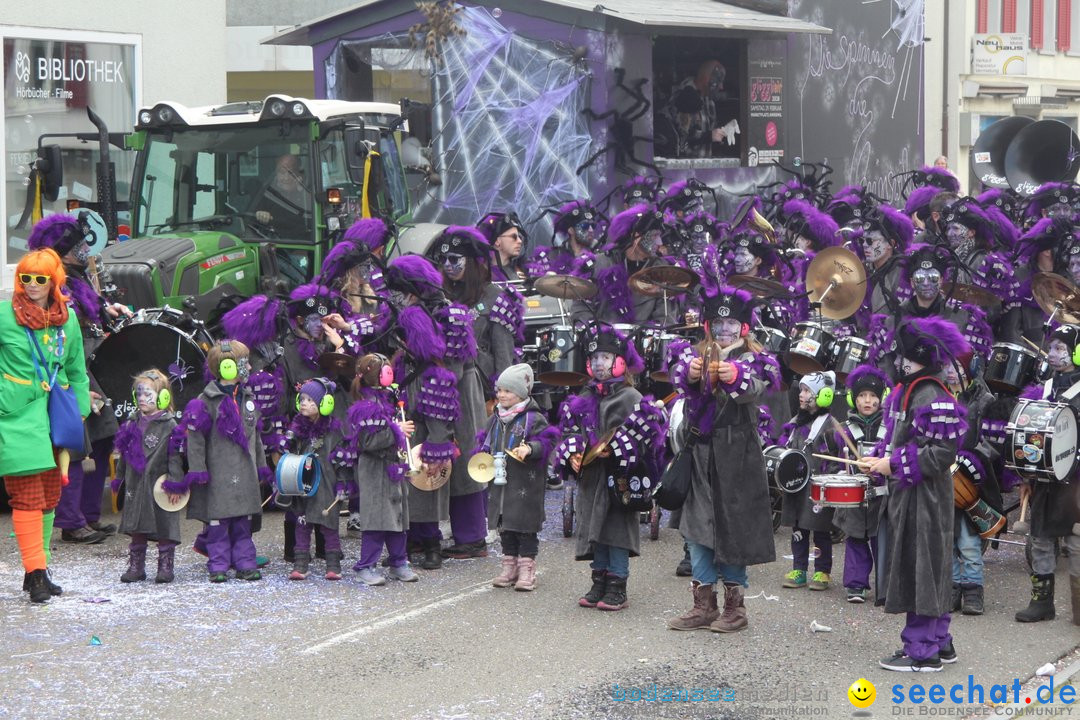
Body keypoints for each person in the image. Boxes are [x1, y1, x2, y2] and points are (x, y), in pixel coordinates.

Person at [665, 286, 777, 632]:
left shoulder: (757, 357)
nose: (725, 329)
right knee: (697, 528)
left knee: (733, 529)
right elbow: (676, 379)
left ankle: (735, 607)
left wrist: (737, 377)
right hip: (700, 452)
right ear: (708, 325)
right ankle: (703, 605)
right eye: (719, 322)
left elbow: (761, 387)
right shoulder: (694, 354)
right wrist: (691, 375)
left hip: (738, 454)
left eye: (732, 323)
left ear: (743, 327)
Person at [863, 316, 968, 672]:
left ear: (917, 357)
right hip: (912, 495)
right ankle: (940, 641)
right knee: (926, 564)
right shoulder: (907, 390)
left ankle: (922, 652)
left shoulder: (931, 393)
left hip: (925, 499)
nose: (896, 361)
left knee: (921, 566)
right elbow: (900, 440)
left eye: (902, 355)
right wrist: (878, 457)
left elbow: (942, 453)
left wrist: (892, 465)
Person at [27, 213, 131, 544]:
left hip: (87, 366)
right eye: (80, 244)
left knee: (102, 439)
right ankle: (71, 520)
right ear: (64, 250)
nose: (86, 248)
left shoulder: (77, 276)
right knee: (73, 442)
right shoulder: (53, 284)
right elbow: (58, 338)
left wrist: (109, 309)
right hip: (71, 371)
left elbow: (92, 311)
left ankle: (88, 514)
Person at [0, 248, 90, 603]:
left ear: (54, 281)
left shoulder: (66, 320)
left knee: (51, 496)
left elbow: (77, 367)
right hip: (17, 415)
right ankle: (37, 576)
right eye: (26, 277)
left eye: (40, 278)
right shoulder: (5, 315)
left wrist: (79, 410)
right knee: (27, 494)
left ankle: (39, 568)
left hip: (55, 415)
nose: (32, 285)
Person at [556, 323, 664, 611]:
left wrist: (615, 450)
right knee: (594, 527)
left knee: (616, 530)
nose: (598, 363)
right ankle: (598, 580)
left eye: (605, 358)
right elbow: (571, 431)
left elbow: (648, 437)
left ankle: (618, 585)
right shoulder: (586, 396)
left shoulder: (631, 397)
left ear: (619, 362)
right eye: (594, 359)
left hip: (620, 478)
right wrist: (573, 452)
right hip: (592, 478)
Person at [179, 340, 272, 583]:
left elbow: (256, 436)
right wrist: (198, 469)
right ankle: (218, 564)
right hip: (219, 473)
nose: (250, 367)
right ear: (228, 367)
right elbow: (196, 439)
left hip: (245, 473)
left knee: (243, 523)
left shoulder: (247, 398)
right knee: (218, 524)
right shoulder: (205, 401)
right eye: (245, 363)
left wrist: (261, 465)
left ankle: (245, 563)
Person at [1013, 325, 1080, 626]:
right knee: (1039, 537)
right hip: (1044, 478)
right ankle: (1042, 603)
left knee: (1076, 541)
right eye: (1050, 347)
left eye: (1060, 348)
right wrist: (1025, 476)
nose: (1052, 354)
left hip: (1076, 479)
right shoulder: (1044, 388)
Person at [478, 363, 559, 591]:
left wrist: (531, 448)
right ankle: (509, 566)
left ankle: (527, 569)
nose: (502, 395)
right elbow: (484, 441)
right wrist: (481, 455)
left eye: (508, 391)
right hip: (501, 484)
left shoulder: (533, 418)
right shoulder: (495, 418)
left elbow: (549, 441)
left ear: (521, 393)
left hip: (526, 483)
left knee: (525, 527)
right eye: (499, 390)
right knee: (507, 527)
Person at [347, 353, 419, 585]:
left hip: (393, 467)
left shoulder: (387, 398)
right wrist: (396, 430)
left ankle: (398, 562)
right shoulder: (365, 407)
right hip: (375, 470)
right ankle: (365, 566)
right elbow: (368, 443)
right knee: (377, 519)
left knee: (398, 517)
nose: (390, 372)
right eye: (385, 369)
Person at [111, 369, 183, 584]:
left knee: (165, 524)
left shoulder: (170, 425)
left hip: (159, 483)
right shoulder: (131, 423)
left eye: (148, 394)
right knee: (137, 524)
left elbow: (175, 457)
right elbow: (124, 454)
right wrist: (120, 478)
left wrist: (175, 483)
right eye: (139, 394)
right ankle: (136, 565)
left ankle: (165, 564)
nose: (142, 398)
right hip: (136, 482)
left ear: (163, 397)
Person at [280, 377, 353, 581]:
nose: (304, 403)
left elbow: (343, 463)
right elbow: (288, 457)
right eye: (302, 399)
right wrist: (286, 443)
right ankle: (301, 564)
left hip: (327, 485)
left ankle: (333, 565)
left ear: (324, 404)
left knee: (329, 526)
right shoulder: (297, 430)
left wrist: (342, 484)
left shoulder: (334, 431)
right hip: (303, 484)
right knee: (302, 524)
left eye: (310, 400)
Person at [779, 371, 841, 591]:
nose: (801, 395)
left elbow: (837, 458)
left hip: (818, 488)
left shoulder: (830, 426)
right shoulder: (796, 422)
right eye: (802, 390)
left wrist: (832, 478)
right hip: (797, 485)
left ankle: (823, 571)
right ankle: (799, 568)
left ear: (823, 395)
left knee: (821, 531)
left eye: (807, 391)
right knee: (798, 528)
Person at [833, 365, 889, 603]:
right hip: (854, 493)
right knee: (855, 537)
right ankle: (856, 585)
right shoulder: (844, 429)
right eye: (862, 396)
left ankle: (886, 586)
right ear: (853, 399)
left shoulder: (890, 428)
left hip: (882, 493)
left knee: (882, 540)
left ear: (881, 398)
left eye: (873, 396)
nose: (868, 401)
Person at [252, 152, 310, 237]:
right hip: (272, 243)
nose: (285, 178)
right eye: (281, 172)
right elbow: (251, 221)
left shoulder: (307, 196)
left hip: (302, 245)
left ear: (299, 174)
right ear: (276, 174)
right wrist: (260, 214)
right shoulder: (268, 194)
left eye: (290, 173)